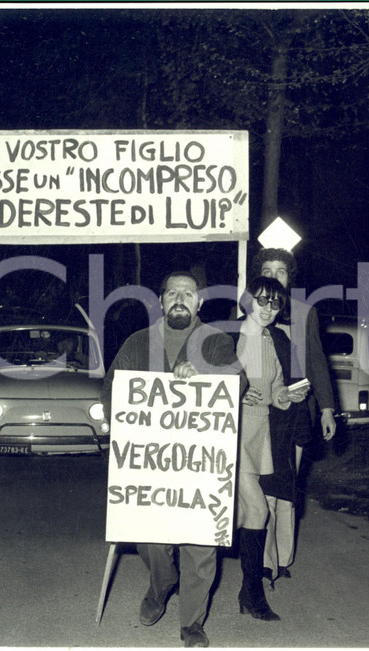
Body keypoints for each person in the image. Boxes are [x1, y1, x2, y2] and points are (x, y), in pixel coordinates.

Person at [101, 271, 243, 648]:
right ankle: (161, 585)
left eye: (188, 293)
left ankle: (192, 623)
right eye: (172, 293)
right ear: (161, 301)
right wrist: (123, 430)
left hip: (200, 463)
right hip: (150, 465)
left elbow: (237, 382)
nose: (180, 298)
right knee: (150, 540)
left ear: (199, 303)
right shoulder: (138, 342)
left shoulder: (216, 341)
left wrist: (205, 375)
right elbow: (112, 390)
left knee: (200, 543)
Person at [252, 247, 337, 585]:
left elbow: (316, 361)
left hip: (297, 413)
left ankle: (283, 556)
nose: (274, 277)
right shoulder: (249, 310)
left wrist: (327, 408)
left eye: (281, 271)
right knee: (263, 489)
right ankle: (264, 560)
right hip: (260, 413)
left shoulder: (304, 313)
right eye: (267, 271)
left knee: (286, 486)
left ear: (290, 278)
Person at [231, 276, 309, 622]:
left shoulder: (274, 339)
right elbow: (207, 380)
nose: (268, 309)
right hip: (232, 431)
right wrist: (234, 391)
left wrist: (288, 395)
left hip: (261, 432)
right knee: (258, 510)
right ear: (248, 300)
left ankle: (249, 591)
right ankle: (252, 592)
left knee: (249, 514)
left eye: (275, 303)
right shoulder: (226, 335)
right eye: (261, 300)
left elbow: (275, 387)